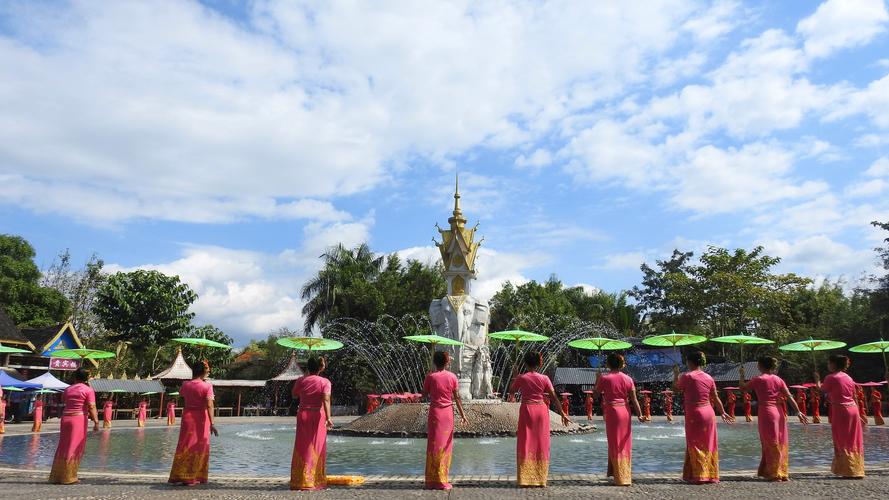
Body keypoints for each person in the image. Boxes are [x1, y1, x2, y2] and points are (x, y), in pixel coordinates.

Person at [739, 357, 808, 481]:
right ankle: (780, 471)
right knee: (779, 441)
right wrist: (798, 411)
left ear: (760, 366)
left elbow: (743, 388)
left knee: (770, 441)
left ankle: (774, 473)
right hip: (779, 412)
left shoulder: (759, 379)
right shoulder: (779, 379)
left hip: (766, 412)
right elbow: (789, 396)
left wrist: (742, 375)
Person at [511, 350, 570, 487]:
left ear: (525, 363)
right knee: (541, 442)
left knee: (525, 441)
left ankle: (525, 479)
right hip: (541, 410)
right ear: (539, 363)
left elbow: (512, 391)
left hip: (527, 409)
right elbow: (554, 397)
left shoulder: (522, 378)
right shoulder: (544, 378)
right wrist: (562, 413)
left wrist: (515, 377)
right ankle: (540, 479)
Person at [672, 351, 733, 484]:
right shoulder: (709, 377)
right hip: (709, 412)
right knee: (708, 443)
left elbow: (676, 389)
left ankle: (699, 475)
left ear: (690, 362)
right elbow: (715, 397)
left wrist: (676, 374)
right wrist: (722, 412)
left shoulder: (687, 376)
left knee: (694, 443)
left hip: (694, 412)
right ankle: (710, 475)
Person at [593, 353, 645, 486]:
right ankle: (623, 473)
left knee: (614, 442)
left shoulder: (605, 379)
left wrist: (597, 380)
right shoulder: (628, 379)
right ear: (622, 365)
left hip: (612, 412)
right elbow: (634, 399)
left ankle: (619, 477)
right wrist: (640, 414)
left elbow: (595, 395)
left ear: (608, 364)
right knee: (624, 442)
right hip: (625, 412)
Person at [422, 351, 469, 490]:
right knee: (445, 446)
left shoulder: (430, 376)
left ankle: (431, 480)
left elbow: (424, 394)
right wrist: (463, 415)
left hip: (435, 413)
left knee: (433, 444)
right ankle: (442, 480)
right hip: (447, 414)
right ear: (447, 362)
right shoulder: (452, 377)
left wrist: (429, 377)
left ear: (435, 362)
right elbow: (457, 398)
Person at [814, 355, 865, 478]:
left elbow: (821, 390)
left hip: (841, 410)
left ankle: (848, 470)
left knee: (841, 439)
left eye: (829, 363)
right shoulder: (849, 378)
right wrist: (859, 413)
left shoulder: (831, 377)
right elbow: (854, 396)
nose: (828, 365)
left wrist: (817, 379)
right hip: (853, 409)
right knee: (853, 439)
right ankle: (856, 469)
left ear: (833, 364)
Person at [168, 360, 217, 486]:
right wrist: (213, 423)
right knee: (199, 444)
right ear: (202, 372)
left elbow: (183, 395)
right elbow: (210, 405)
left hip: (188, 416)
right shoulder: (207, 386)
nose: (208, 373)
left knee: (185, 443)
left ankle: (181, 474)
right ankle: (195, 476)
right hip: (201, 418)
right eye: (207, 371)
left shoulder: (185, 384)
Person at [49, 368, 100, 484]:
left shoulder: (68, 389)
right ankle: (69, 477)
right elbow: (92, 407)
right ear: (86, 378)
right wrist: (96, 422)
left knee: (63, 445)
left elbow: (65, 401)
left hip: (66, 417)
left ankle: (57, 476)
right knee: (75, 446)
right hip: (78, 419)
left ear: (75, 377)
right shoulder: (88, 390)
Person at [290, 355, 333, 490]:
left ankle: (299, 480)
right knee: (316, 445)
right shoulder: (325, 382)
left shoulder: (301, 380)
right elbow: (326, 400)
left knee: (302, 446)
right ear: (321, 367)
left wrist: (305, 381)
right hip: (317, 416)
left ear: (308, 367)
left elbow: (294, 395)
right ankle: (314, 481)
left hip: (302, 415)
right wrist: (328, 418)